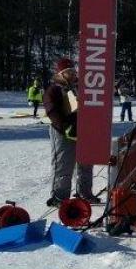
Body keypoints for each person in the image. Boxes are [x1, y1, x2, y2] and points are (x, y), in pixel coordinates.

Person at [43, 58, 96, 206]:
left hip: (82, 130)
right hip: (62, 131)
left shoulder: (79, 87)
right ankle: (59, 196)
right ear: (61, 74)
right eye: (69, 72)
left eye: (73, 71)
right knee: (64, 164)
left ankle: (85, 193)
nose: (73, 74)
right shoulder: (54, 89)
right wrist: (63, 126)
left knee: (86, 163)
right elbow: (51, 109)